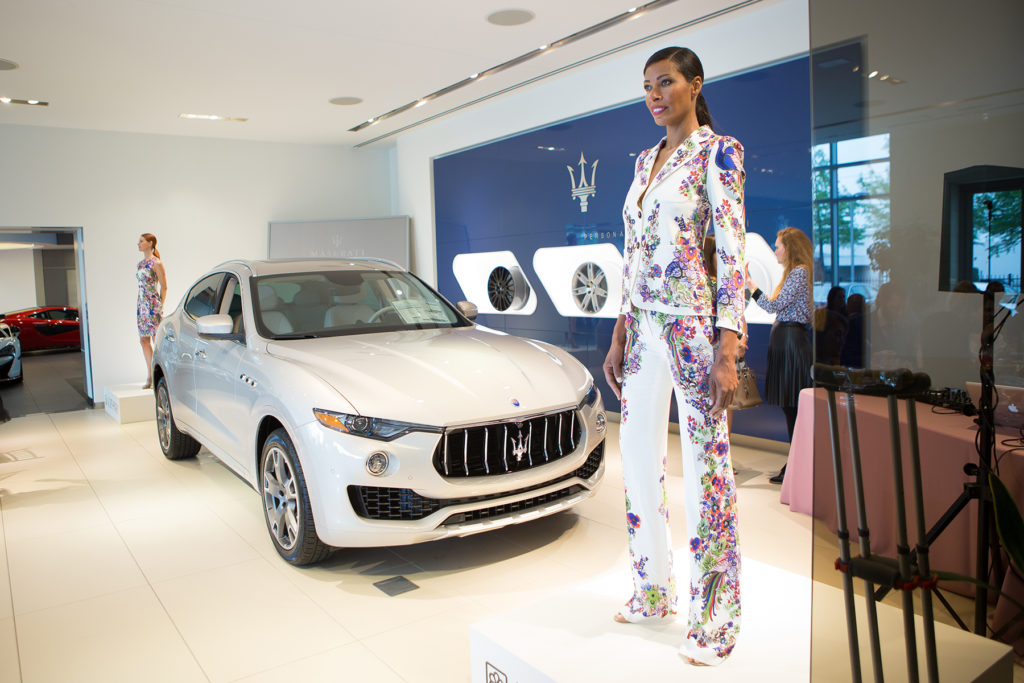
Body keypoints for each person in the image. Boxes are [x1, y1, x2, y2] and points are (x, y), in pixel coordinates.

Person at [602, 46, 744, 667]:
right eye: (647, 87)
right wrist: (620, 327)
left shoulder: (720, 152)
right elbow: (632, 252)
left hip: (692, 328)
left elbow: (733, 249)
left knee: (707, 467)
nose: (655, 95)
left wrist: (730, 343)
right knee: (634, 454)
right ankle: (652, 588)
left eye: (666, 83)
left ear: (694, 86)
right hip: (643, 328)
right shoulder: (643, 160)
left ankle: (715, 619)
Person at [744, 227, 813, 483]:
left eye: (778, 246)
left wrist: (751, 285)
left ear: (790, 248)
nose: (775, 250)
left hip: (791, 344)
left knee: (793, 406)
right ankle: (796, 463)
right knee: (791, 407)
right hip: (788, 343)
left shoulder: (799, 272)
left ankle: (797, 466)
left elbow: (773, 305)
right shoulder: (797, 273)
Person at [137, 233, 167, 389]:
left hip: (152, 304)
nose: (139, 244)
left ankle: (160, 374)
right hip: (141, 305)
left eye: (141, 241)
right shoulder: (141, 264)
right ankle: (149, 375)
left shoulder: (156, 263)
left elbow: (164, 286)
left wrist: (159, 305)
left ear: (150, 243)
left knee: (156, 339)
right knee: (144, 340)